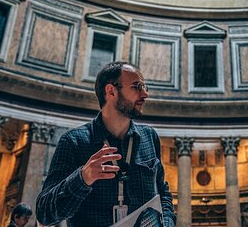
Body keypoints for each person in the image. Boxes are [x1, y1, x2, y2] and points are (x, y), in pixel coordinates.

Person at [36, 61, 175, 227]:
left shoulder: (149, 137)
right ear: (111, 91)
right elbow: (44, 214)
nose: (145, 94)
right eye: (137, 86)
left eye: (145, 87)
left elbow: (163, 193)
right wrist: (82, 178)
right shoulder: (74, 142)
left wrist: (166, 223)